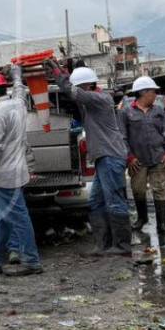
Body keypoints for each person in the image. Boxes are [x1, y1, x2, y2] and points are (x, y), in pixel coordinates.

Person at [50, 62, 132, 255]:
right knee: (96, 201)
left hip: (110, 156)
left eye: (79, 86)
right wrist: (63, 71)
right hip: (103, 157)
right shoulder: (91, 101)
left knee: (114, 201)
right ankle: (103, 245)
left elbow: (73, 92)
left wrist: (57, 74)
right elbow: (74, 95)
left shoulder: (100, 98)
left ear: (87, 86)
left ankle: (122, 246)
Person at [0, 66, 40, 275]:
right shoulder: (18, 105)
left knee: (18, 219)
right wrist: (17, 76)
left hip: (3, 177)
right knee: (1, 219)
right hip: (16, 174)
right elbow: (20, 91)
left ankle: (31, 261)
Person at [122, 77, 165, 237]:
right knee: (138, 190)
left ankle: (161, 224)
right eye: (153, 91)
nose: (155, 94)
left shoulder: (158, 111)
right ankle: (142, 218)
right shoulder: (126, 112)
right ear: (143, 93)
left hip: (158, 158)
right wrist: (129, 157)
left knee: (159, 189)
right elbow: (122, 138)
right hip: (137, 161)